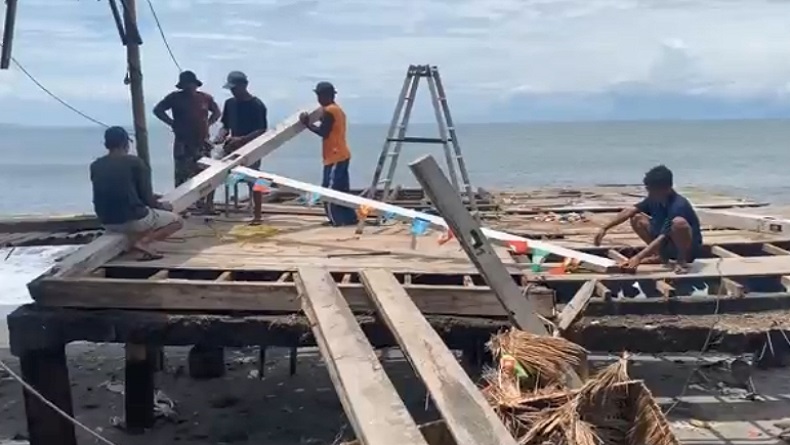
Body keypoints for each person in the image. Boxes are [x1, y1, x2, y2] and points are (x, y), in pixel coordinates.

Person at [90, 126, 184, 261]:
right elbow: (147, 200)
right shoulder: (135, 162)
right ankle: (143, 243)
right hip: (132, 219)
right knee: (177, 221)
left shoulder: (96, 165)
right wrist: (163, 206)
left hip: (106, 220)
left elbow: (112, 189)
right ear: (125, 144)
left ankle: (134, 242)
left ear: (106, 144)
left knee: (142, 218)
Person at [593, 165, 703, 274]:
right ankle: (660, 256)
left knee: (679, 223)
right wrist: (605, 228)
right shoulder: (654, 198)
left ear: (666, 188)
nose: (649, 193)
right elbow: (631, 210)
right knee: (637, 218)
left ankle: (681, 261)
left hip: (687, 249)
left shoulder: (678, 205)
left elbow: (663, 236)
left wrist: (638, 257)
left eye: (651, 190)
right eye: (648, 189)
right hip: (668, 244)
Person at [153, 70, 221, 214]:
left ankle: (207, 205)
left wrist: (208, 123)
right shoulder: (174, 98)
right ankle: (181, 207)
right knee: (182, 176)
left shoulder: (205, 98)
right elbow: (158, 110)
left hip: (202, 142)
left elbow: (217, 112)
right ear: (182, 85)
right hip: (183, 142)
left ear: (195, 85)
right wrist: (171, 123)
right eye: (186, 84)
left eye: (191, 84)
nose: (189, 87)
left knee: (208, 175)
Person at [298, 81, 358, 226]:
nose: (318, 99)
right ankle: (349, 219)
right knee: (342, 191)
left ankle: (335, 220)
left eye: (319, 95)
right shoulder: (338, 110)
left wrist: (307, 124)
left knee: (329, 191)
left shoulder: (330, 111)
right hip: (342, 154)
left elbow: (323, 132)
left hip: (334, 156)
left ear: (326, 95)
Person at [213, 71, 268, 225]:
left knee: (257, 179)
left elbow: (262, 130)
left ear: (244, 86)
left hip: (252, 147)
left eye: (235, 88)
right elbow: (225, 125)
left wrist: (242, 139)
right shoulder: (230, 103)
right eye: (231, 89)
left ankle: (258, 215)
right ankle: (208, 206)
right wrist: (220, 136)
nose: (233, 92)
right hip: (232, 147)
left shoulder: (257, 105)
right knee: (210, 171)